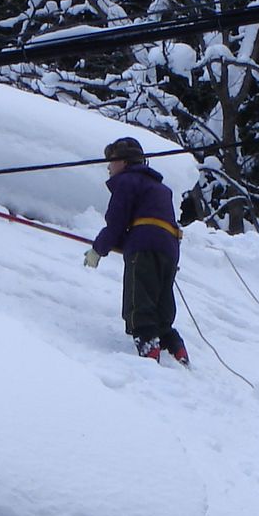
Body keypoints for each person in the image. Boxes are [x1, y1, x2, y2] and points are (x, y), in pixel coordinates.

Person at [83, 136, 188, 363]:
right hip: (169, 248)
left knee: (138, 297)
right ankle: (175, 346)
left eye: (111, 161)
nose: (108, 167)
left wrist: (98, 249)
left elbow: (117, 223)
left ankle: (148, 345)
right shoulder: (160, 188)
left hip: (144, 247)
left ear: (124, 162)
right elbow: (146, 224)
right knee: (161, 300)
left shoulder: (127, 182)